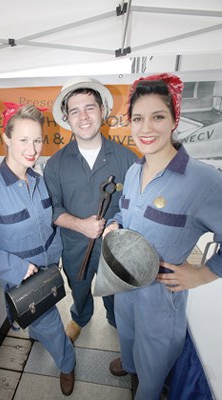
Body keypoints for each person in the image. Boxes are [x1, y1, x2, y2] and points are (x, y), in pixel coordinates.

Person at [103, 73, 222, 399]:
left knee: (153, 368)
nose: (146, 128)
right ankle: (130, 367)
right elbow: (124, 213)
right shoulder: (132, 171)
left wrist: (201, 274)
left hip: (159, 297)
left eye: (158, 116)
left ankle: (147, 387)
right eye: (138, 118)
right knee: (127, 335)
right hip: (124, 285)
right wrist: (115, 224)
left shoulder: (204, 181)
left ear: (175, 120)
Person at [0, 103, 76, 396]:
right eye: (23, 139)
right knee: (50, 323)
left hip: (51, 265)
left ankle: (35, 330)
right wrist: (18, 268)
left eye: (37, 140)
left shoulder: (41, 180)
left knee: (41, 314)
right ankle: (67, 363)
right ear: (6, 139)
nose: (32, 148)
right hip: (22, 275)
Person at [44, 77, 138, 342]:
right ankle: (80, 317)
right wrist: (79, 225)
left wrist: (116, 224)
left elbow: (135, 204)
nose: (83, 117)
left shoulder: (128, 159)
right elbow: (51, 206)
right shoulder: (55, 164)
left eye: (89, 108)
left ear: (102, 111)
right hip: (74, 248)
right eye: (75, 110)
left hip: (115, 248)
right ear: (67, 118)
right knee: (79, 288)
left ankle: (116, 321)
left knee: (115, 292)